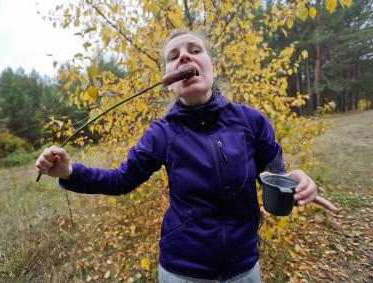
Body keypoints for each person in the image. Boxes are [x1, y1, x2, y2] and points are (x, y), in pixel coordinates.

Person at [36, 30, 338, 283]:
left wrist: (294, 181)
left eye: (195, 50)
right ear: (169, 79)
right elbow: (120, 180)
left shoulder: (252, 121)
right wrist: (68, 172)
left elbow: (275, 176)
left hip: (244, 268)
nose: (184, 57)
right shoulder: (162, 133)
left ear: (213, 68)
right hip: (182, 271)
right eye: (173, 56)